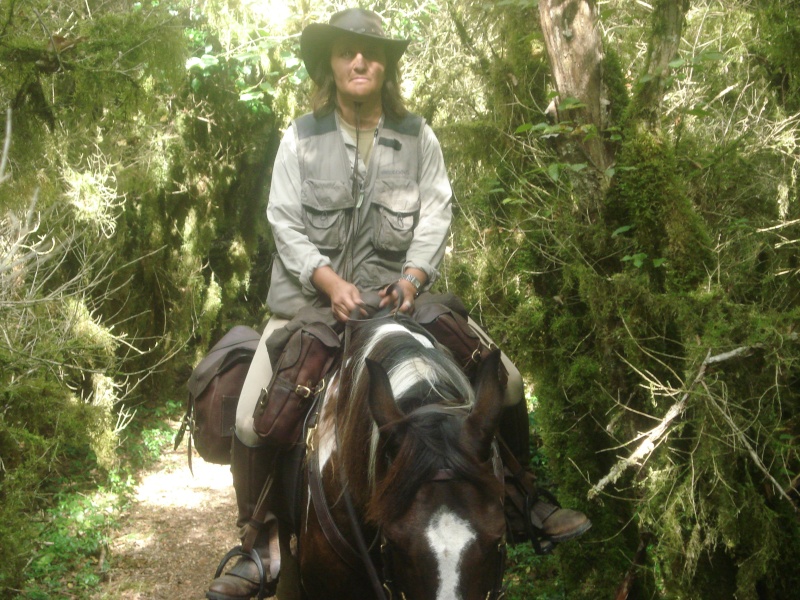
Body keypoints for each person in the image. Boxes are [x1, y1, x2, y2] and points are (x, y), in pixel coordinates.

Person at [206, 8, 590, 600]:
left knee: (507, 380)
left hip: (399, 303)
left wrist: (412, 277)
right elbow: (282, 218)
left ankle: (522, 499)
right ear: (329, 65)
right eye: (346, 52)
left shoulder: (418, 136)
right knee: (249, 421)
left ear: (386, 65)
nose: (359, 62)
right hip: (310, 305)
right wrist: (329, 282)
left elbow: (436, 211)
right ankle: (260, 541)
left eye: (371, 53)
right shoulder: (299, 137)